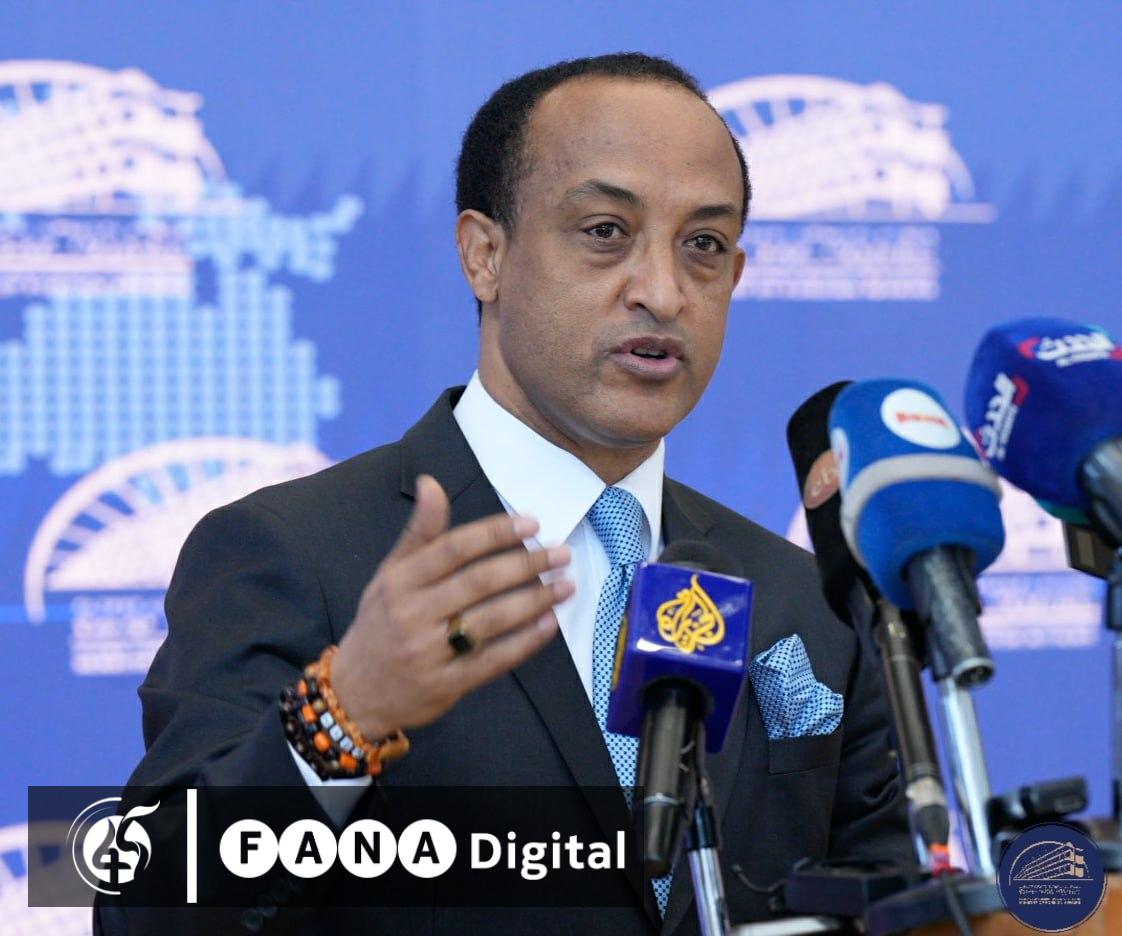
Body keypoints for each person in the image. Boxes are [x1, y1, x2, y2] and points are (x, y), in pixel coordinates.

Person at [102, 52, 911, 935]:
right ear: (485, 255)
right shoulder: (294, 553)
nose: (663, 292)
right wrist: (345, 713)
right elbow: (143, 913)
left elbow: (898, 900)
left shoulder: (806, 600)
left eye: (704, 246)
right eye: (605, 231)